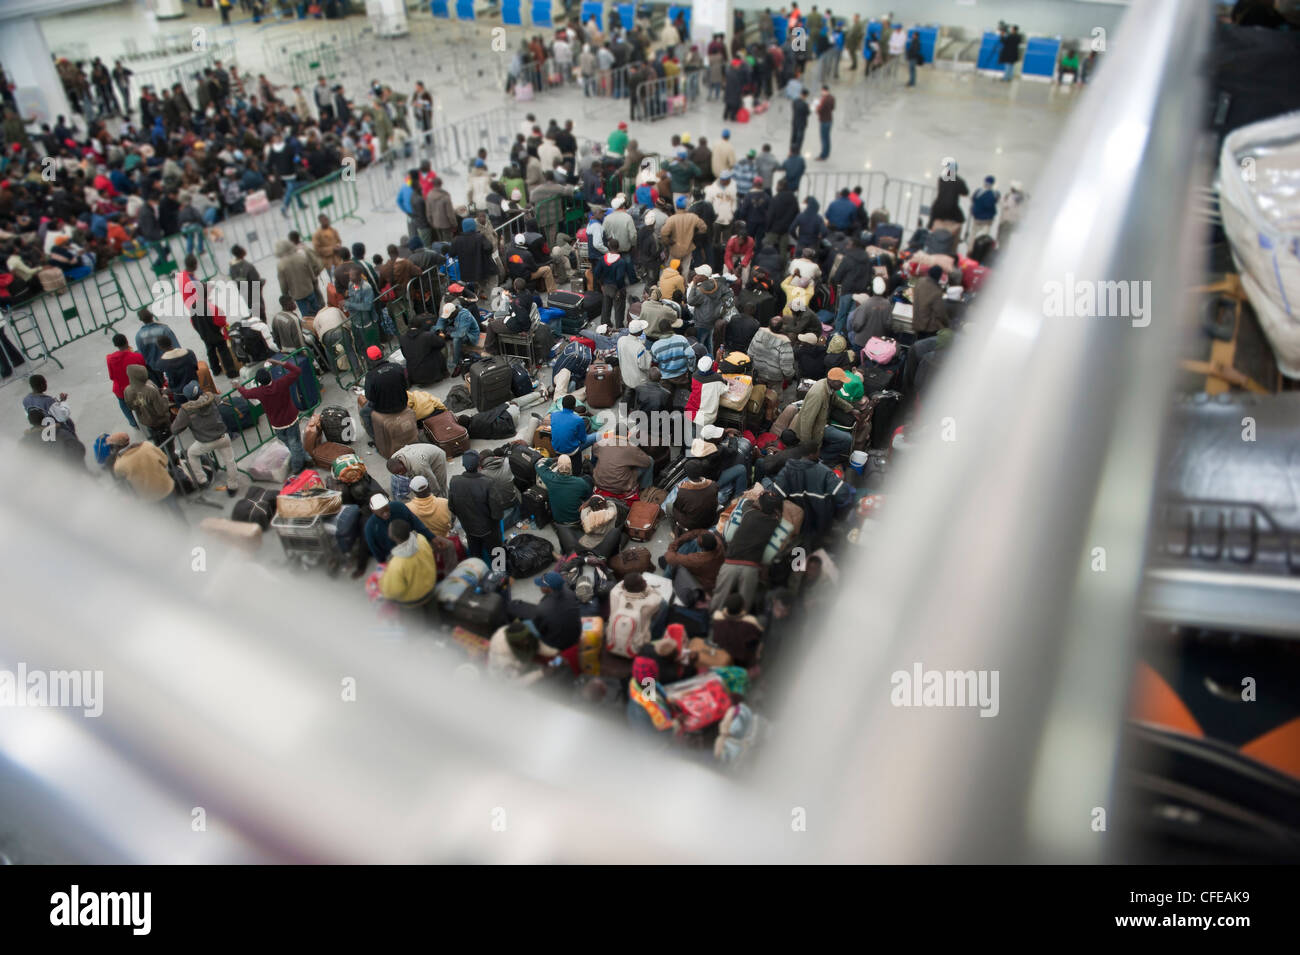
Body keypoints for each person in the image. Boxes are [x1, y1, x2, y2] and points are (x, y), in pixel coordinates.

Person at [711, 491, 783, 611]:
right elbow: (780, 516)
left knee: (719, 598)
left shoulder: (749, 513)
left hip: (731, 562)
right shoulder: (774, 523)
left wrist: (759, 496)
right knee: (744, 604)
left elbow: (746, 501)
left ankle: (712, 621)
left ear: (760, 504)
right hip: (751, 566)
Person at [236, 357, 308, 473]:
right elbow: (297, 371)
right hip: (291, 419)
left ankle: (302, 458)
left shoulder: (259, 392)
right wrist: (280, 362)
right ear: (270, 376)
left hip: (277, 424)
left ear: (259, 382)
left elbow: (246, 394)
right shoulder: (281, 383)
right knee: (295, 443)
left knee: (289, 443)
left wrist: (238, 387)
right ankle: (298, 466)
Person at [171, 382, 239, 495]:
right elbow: (220, 399)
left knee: (192, 454)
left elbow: (175, 429)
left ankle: (202, 480)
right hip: (222, 436)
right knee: (230, 462)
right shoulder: (211, 398)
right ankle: (233, 487)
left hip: (205, 442)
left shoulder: (186, 410)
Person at [448, 450, 506, 562]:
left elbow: (452, 507)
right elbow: (497, 512)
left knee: (475, 554)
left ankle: (478, 572)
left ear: (463, 464)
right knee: (497, 554)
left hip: (469, 528)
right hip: (489, 530)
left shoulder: (454, 482)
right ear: (479, 464)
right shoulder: (488, 483)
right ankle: (501, 575)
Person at [378, 520, 438, 611]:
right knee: (433, 619)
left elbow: (393, 591)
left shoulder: (397, 563)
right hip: (430, 589)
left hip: (412, 601)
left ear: (394, 537)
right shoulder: (421, 539)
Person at [114, 439, 181, 516]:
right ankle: (184, 526)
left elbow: (118, 473)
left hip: (147, 494)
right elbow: (165, 460)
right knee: (175, 510)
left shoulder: (121, 463)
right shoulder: (147, 446)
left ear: (117, 447)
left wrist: (118, 457)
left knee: (161, 517)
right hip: (164, 485)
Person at [364, 493, 434, 564]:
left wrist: (432, 537)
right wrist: (382, 563)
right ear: (372, 510)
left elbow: (415, 522)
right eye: (382, 512)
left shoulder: (399, 507)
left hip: (410, 543)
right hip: (393, 556)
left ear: (388, 503)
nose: (386, 514)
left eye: (386, 509)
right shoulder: (370, 528)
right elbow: (375, 549)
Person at [20, 407, 86, 470]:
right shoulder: (60, 433)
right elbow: (79, 449)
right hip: (64, 472)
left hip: (39, 477)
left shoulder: (24, 441)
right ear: (44, 419)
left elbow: (19, 460)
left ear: (31, 422)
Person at [536, 454, 593, 525]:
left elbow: (538, 464)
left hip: (558, 520)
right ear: (571, 467)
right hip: (577, 519)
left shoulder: (550, 479)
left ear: (558, 466)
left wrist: (554, 459)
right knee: (588, 479)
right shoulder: (580, 482)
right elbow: (587, 496)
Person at [591, 239, 637, 328]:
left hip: (606, 287)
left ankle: (605, 325)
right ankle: (619, 327)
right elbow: (619, 277)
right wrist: (619, 290)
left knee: (606, 307)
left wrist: (601, 284)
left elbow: (596, 273)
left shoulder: (602, 259)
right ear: (618, 247)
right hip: (616, 288)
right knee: (619, 309)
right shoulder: (621, 261)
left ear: (609, 247)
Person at [711, 592, 765, 667]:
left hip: (721, 658)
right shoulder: (751, 623)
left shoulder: (717, 619)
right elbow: (760, 635)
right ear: (742, 607)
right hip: (741, 663)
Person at [105, 333, 146, 430]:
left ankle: (132, 422)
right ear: (127, 341)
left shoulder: (110, 359)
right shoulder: (136, 356)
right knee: (141, 404)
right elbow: (143, 372)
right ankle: (144, 419)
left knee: (123, 404)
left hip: (120, 389)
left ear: (115, 345)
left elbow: (112, 376)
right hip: (136, 388)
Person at [134, 307, 178, 388]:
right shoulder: (164, 329)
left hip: (155, 369)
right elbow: (176, 347)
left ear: (141, 320)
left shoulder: (139, 336)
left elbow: (142, 355)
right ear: (152, 315)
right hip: (172, 365)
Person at [549, 394, 600, 459]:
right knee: (598, 435)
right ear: (574, 406)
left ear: (562, 404)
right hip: (572, 451)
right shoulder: (578, 420)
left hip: (556, 449)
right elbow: (583, 440)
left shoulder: (553, 415)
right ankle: (593, 462)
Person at [814, 85, 835, 161]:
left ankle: (823, 155)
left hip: (824, 121)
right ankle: (827, 153)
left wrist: (817, 106)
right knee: (827, 138)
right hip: (829, 120)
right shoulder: (832, 98)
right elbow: (833, 108)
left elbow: (819, 110)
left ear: (824, 90)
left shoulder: (824, 100)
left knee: (823, 139)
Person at [790, 88, 810, 153]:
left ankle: (791, 149)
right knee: (800, 138)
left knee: (793, 136)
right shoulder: (805, 104)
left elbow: (793, 108)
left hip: (795, 121)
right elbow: (807, 113)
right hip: (802, 123)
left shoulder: (795, 101)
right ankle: (797, 151)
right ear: (805, 96)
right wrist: (808, 108)